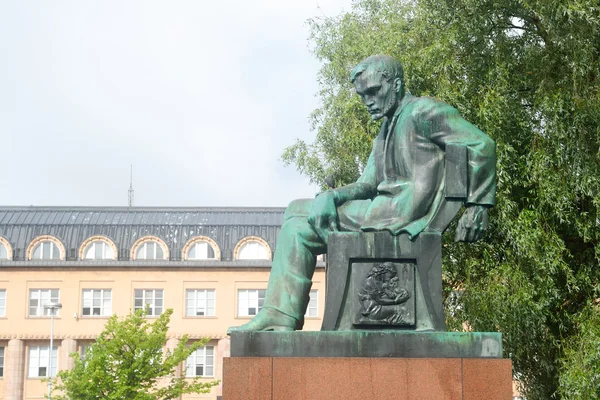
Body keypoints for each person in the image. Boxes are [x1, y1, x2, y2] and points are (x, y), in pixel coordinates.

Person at [228, 55, 495, 333]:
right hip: (384, 209)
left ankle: (279, 316)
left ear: (396, 85)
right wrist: (332, 196)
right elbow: (366, 184)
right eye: (362, 95)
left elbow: (482, 144)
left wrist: (478, 206)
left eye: (373, 91)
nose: (368, 100)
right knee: (296, 221)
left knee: (297, 216)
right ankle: (279, 317)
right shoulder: (385, 129)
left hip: (402, 213)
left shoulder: (423, 112)